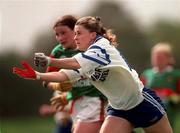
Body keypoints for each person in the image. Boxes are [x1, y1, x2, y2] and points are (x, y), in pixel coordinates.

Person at [13, 16, 173, 133]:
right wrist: (37, 75)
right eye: (74, 34)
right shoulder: (85, 56)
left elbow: (75, 63)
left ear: (92, 34)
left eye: (78, 33)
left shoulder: (101, 47)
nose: (75, 38)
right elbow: (64, 75)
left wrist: (48, 61)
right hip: (119, 110)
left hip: (141, 102)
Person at [35, 15, 107, 133]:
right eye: (57, 34)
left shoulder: (91, 48)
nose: (60, 38)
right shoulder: (58, 52)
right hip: (76, 102)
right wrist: (57, 86)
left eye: (63, 33)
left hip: (95, 100)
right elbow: (46, 81)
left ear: (76, 31)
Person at [140, 42, 180, 130]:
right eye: (155, 57)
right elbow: (140, 93)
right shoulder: (147, 74)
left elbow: (178, 96)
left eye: (161, 57)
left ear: (168, 58)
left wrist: (170, 96)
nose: (157, 59)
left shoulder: (176, 75)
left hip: (169, 113)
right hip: (149, 112)